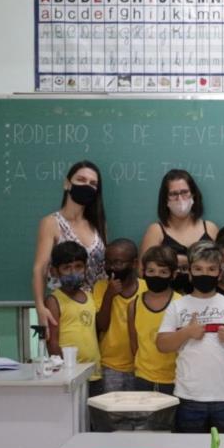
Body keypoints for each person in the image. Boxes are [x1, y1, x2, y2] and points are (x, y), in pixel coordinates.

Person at [156, 242, 224, 433]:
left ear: (219, 273)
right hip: (189, 395)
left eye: (211, 269)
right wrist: (186, 332)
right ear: (190, 273)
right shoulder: (178, 306)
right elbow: (162, 345)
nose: (204, 274)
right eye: (198, 269)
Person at [32, 161, 107, 330]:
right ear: (67, 183)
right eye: (81, 180)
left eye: (93, 183)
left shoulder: (98, 224)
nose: (86, 186)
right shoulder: (51, 223)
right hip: (65, 308)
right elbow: (40, 268)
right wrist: (40, 307)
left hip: (97, 308)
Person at [139, 169, 219, 293]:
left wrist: (181, 260)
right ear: (165, 199)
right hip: (167, 299)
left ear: (193, 194)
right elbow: (141, 271)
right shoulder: (156, 230)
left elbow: (220, 265)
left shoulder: (210, 228)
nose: (180, 198)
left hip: (205, 299)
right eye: (173, 194)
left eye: (184, 192)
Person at [128, 245, 180, 428]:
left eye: (163, 272)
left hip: (174, 380)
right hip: (143, 379)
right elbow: (134, 343)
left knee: (172, 431)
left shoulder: (181, 303)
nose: (156, 276)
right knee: (144, 431)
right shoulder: (134, 304)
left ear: (173, 274)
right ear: (143, 272)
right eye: (151, 271)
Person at [45, 241, 101, 392]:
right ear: (55, 271)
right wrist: (63, 373)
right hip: (70, 375)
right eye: (66, 268)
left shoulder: (90, 296)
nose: (73, 272)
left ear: (85, 268)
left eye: (78, 267)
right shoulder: (53, 300)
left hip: (94, 372)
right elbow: (52, 341)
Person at [92, 239, 141, 393]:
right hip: (110, 365)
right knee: (110, 407)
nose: (112, 267)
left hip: (140, 365)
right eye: (107, 262)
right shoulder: (101, 287)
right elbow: (101, 325)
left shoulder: (146, 289)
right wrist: (109, 295)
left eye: (118, 262)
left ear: (134, 263)